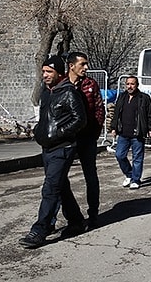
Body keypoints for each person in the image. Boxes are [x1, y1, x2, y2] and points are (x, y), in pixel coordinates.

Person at [19, 56, 88, 249]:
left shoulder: (70, 93)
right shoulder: (46, 93)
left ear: (59, 72)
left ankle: (40, 230)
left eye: (49, 72)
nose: (45, 75)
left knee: (50, 188)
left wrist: (59, 133)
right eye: (43, 72)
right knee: (60, 186)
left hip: (62, 148)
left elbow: (80, 120)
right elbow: (44, 117)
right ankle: (76, 221)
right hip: (47, 147)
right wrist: (38, 131)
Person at [66, 52, 105, 224]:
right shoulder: (62, 85)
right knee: (58, 178)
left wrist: (94, 133)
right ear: (71, 66)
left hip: (87, 137)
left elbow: (99, 109)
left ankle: (94, 213)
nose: (86, 68)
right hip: (67, 138)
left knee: (91, 177)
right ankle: (54, 219)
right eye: (83, 64)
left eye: (86, 64)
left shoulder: (91, 84)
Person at [110, 76, 151, 189]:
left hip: (138, 133)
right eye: (128, 84)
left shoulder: (144, 98)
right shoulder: (122, 97)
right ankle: (129, 175)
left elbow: (150, 114)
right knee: (119, 155)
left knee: (137, 158)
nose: (130, 86)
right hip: (123, 133)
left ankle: (136, 180)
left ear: (137, 85)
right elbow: (116, 114)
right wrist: (113, 127)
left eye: (132, 84)